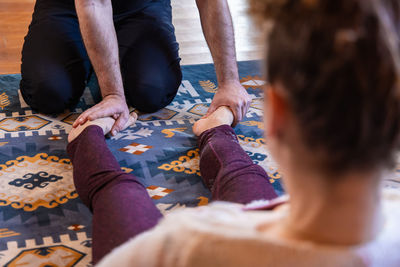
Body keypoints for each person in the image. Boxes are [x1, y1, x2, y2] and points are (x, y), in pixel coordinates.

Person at [67, 0, 400, 265]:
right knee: (245, 182)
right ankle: (215, 131)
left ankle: (88, 139)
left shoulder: (181, 244)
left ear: (276, 117)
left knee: (114, 188)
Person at [20, 0, 251, 136]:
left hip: (141, 5)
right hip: (68, 6)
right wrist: (112, 94)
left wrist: (229, 82)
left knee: (152, 91)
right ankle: (94, 54)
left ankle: (102, 51)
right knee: (48, 91)